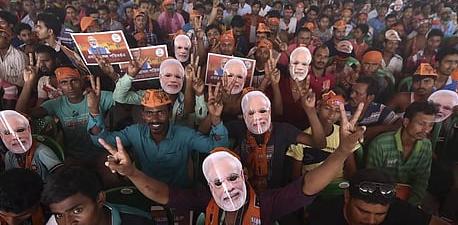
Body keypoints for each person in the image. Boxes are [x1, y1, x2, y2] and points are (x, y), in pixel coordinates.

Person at [94, 96, 366, 225]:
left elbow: (308, 185)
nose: (226, 188)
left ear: (244, 175)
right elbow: (164, 195)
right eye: (217, 182)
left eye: (232, 177)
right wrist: (130, 172)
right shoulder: (204, 200)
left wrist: (342, 151)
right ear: (208, 186)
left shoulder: (267, 203)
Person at [87, 87, 228, 188]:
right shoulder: (134, 132)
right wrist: (94, 110)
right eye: (149, 113)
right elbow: (101, 141)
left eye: (160, 112)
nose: (154, 119)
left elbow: (216, 148)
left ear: (169, 112)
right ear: (143, 115)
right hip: (147, 191)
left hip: (179, 193)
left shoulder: (184, 134)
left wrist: (215, 119)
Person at [308, 168, 449, 225]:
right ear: (347, 197)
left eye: (380, 214)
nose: (371, 221)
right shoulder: (323, 216)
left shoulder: (397, 208)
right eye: (363, 211)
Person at [366, 101, 438, 206]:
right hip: (382, 197)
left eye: (431, 125)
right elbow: (372, 180)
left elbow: (421, 181)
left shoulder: (426, 146)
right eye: (421, 124)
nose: (426, 130)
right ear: (406, 122)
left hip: (408, 196)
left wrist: (410, 206)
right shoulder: (380, 144)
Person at [42, 167, 153, 225]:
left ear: (100, 199)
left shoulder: (138, 222)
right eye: (59, 215)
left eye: (77, 211)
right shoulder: (55, 222)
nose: (68, 223)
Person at [0, 110, 63, 182]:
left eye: (20, 130)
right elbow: (10, 178)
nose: (15, 137)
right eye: (8, 133)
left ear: (29, 130)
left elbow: (60, 172)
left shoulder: (41, 152)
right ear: (2, 136)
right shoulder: (9, 155)